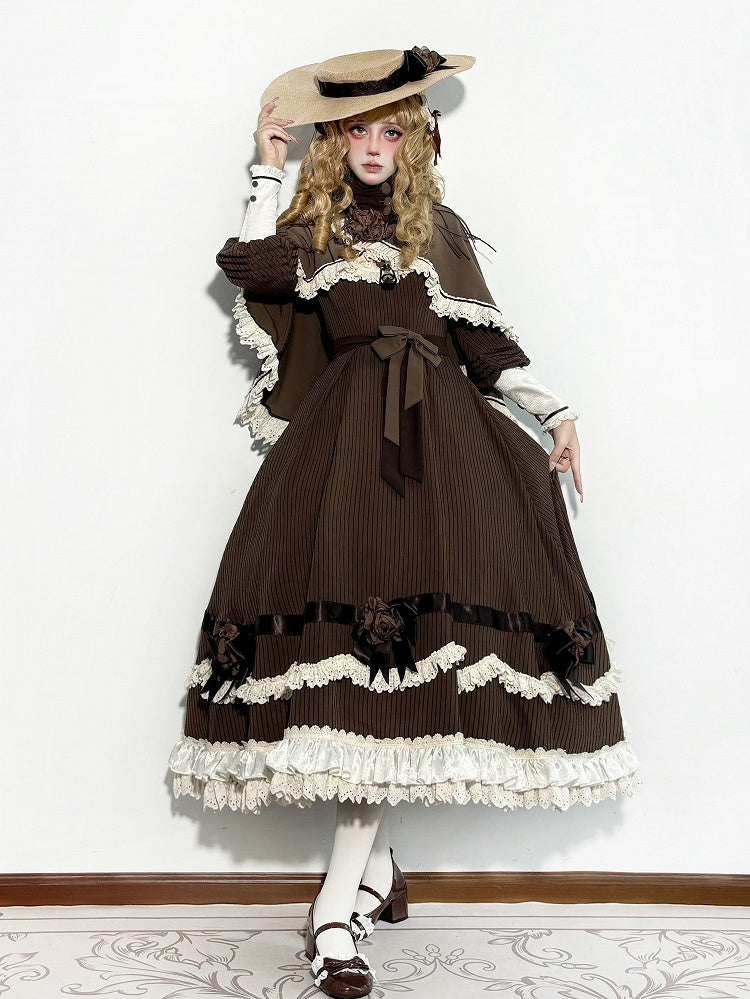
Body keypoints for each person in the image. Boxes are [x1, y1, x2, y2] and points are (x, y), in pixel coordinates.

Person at [167, 46, 640, 998]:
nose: (375, 147)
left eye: (392, 131)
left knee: (401, 684)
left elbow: (485, 346)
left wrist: (554, 411)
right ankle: (364, 883)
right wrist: (266, 167)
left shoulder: (440, 232)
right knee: (360, 685)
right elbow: (248, 267)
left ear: (415, 141)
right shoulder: (312, 230)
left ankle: (340, 902)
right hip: (344, 460)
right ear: (335, 144)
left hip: (445, 460)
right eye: (357, 132)